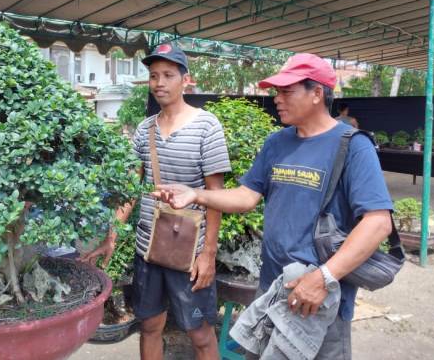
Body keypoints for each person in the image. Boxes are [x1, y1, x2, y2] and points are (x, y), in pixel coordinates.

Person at [154, 53, 393, 359]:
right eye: (277, 91)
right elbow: (246, 197)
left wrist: (323, 278)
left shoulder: (352, 146)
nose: (277, 99)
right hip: (272, 290)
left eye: (286, 91)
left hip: (319, 299)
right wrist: (195, 195)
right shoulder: (277, 143)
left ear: (317, 93)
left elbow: (378, 222)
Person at [81, 43, 231, 360]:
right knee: (149, 326)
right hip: (148, 250)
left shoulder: (207, 126)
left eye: (167, 75)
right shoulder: (145, 129)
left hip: (189, 253)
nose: (159, 82)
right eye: (153, 76)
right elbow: (131, 189)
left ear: (185, 80)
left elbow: (215, 196)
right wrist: (111, 235)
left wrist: (209, 254)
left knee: (201, 333)